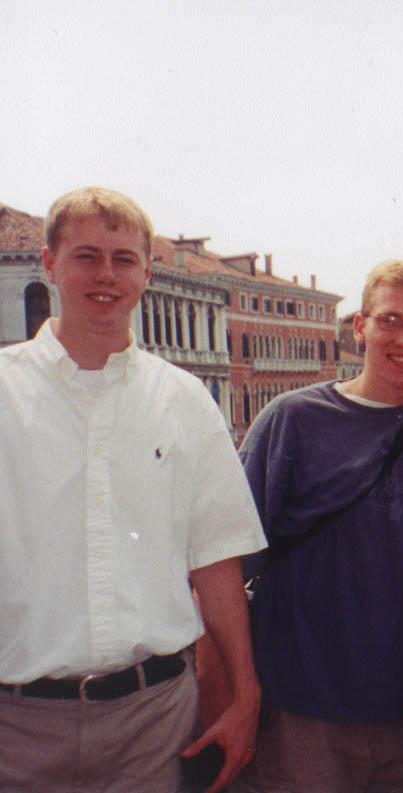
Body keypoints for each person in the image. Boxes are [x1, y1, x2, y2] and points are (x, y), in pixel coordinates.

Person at [0, 186, 267, 793]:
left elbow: (218, 564)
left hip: (153, 726)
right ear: (49, 264)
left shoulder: (186, 401)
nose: (105, 275)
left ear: (147, 272)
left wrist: (245, 693)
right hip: (13, 729)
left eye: (123, 259)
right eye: (86, 256)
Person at [236, 260, 403, 793]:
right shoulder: (291, 420)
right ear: (359, 327)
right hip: (301, 709)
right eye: (390, 321)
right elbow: (226, 565)